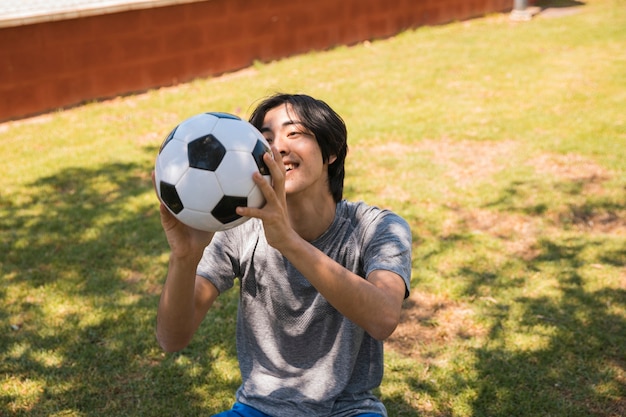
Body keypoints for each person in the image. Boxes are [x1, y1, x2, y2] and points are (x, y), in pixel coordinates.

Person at [154, 93, 413, 417]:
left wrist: (288, 241)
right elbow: (172, 339)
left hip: (349, 410)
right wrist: (185, 257)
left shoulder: (377, 227)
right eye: (265, 139)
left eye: (295, 133)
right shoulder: (238, 231)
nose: (277, 149)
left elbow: (384, 318)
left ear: (331, 151)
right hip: (259, 408)